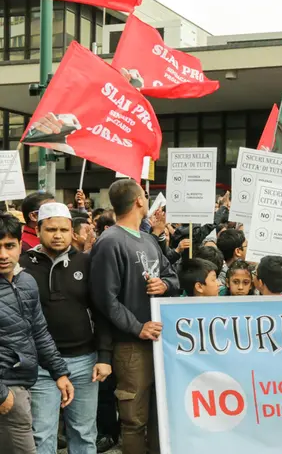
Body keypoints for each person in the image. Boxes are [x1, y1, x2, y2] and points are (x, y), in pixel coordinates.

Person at [89, 179, 179, 454]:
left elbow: (172, 277)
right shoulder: (110, 242)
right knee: (134, 418)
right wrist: (138, 327)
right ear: (140, 200)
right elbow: (104, 299)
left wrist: (164, 285)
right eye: (145, 195)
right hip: (131, 346)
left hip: (158, 342)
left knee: (159, 415)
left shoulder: (149, 239)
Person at [20, 203, 112, 454]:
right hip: (41, 366)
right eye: (51, 229)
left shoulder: (86, 262)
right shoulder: (22, 266)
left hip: (84, 363)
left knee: (84, 433)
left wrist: (104, 356)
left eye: (63, 229)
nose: (57, 235)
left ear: (72, 231)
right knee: (42, 435)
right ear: (38, 230)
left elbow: (102, 312)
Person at [0, 212, 74, 454]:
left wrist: (59, 373)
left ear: (20, 245)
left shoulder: (26, 282)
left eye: (9, 246)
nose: (3, 255)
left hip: (22, 385)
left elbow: (39, 332)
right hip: (8, 390)